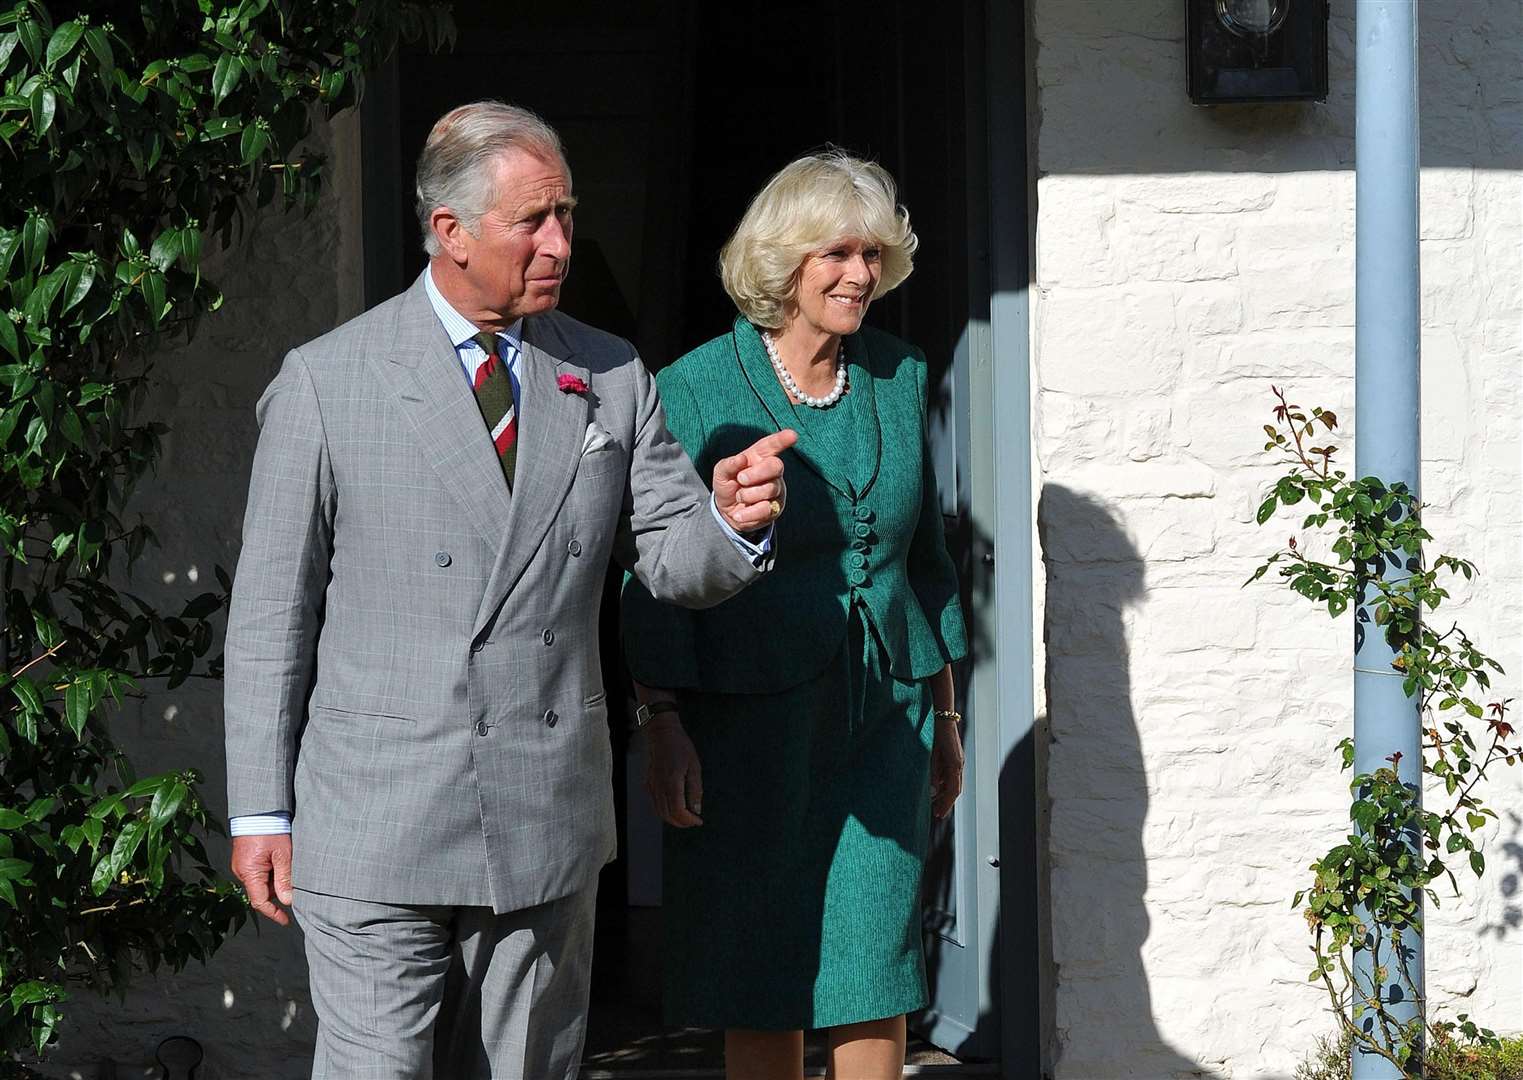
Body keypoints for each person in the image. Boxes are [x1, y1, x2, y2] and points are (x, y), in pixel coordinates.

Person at [222, 100, 796, 1080]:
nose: (561, 241)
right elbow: (272, 618)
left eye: (565, 213)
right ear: (448, 232)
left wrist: (730, 524)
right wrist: (259, 813)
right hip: (373, 818)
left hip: (542, 815)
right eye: (531, 220)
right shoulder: (329, 381)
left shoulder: (608, 375)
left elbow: (669, 558)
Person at [620, 152, 968, 1080]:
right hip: (747, 727)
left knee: (874, 965)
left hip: (882, 721)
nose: (860, 274)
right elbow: (650, 574)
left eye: (872, 253)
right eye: (836, 253)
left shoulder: (897, 374)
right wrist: (661, 724)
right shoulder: (693, 388)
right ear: (783, 261)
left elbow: (921, 559)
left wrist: (945, 716)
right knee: (759, 968)